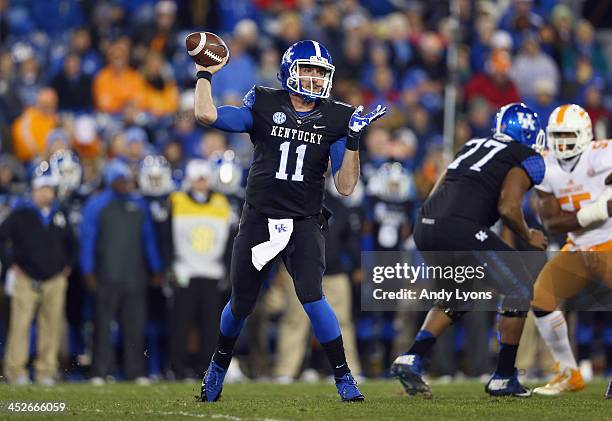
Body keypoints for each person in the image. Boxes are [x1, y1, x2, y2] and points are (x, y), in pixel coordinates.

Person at [193, 40, 386, 402]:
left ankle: (344, 378)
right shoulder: (266, 101)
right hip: (260, 219)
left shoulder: (337, 116)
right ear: (287, 71)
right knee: (241, 303)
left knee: (313, 297)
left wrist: (355, 140)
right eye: (307, 69)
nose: (314, 78)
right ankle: (218, 365)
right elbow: (207, 115)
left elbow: (345, 186)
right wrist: (204, 73)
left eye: (320, 72)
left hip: (304, 221)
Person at [391, 103, 547, 397]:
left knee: (457, 298)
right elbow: (508, 206)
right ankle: (503, 377)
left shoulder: (473, 144)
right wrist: (530, 234)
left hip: (425, 224)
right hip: (460, 228)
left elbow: (438, 188)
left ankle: (412, 357)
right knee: (520, 287)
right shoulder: (527, 156)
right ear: (528, 131)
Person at [530, 104, 612, 395]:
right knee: (541, 298)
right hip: (577, 246)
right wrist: (597, 210)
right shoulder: (546, 165)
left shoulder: (604, 153)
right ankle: (569, 373)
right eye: (557, 135)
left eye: (568, 135)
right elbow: (551, 223)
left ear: (585, 134)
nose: (562, 143)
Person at [80, 159, 162, 384]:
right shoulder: (96, 205)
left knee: (135, 326)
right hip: (107, 275)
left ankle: (134, 371)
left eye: (126, 179)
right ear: (110, 181)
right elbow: (87, 239)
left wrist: (156, 268)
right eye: (119, 179)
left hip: (135, 276)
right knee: (103, 326)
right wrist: (87, 270)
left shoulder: (139, 205)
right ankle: (100, 371)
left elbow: (149, 240)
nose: (125, 184)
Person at [0, 161, 77, 385]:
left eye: (50, 189)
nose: (46, 193)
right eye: (42, 189)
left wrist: (67, 266)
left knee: (51, 325)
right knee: (20, 325)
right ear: (34, 189)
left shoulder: (59, 214)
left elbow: (73, 244)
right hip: (25, 277)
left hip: (54, 278)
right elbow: (2, 238)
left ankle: (46, 370)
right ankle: (16, 371)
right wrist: (11, 263)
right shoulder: (21, 213)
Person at [168, 159, 233, 379]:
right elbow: (166, 236)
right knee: (181, 324)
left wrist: (226, 269)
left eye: (204, 179)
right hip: (184, 272)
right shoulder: (176, 201)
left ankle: (206, 368)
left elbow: (231, 240)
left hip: (212, 273)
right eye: (197, 179)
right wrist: (169, 268)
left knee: (210, 326)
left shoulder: (222, 202)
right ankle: (177, 368)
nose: (201, 183)